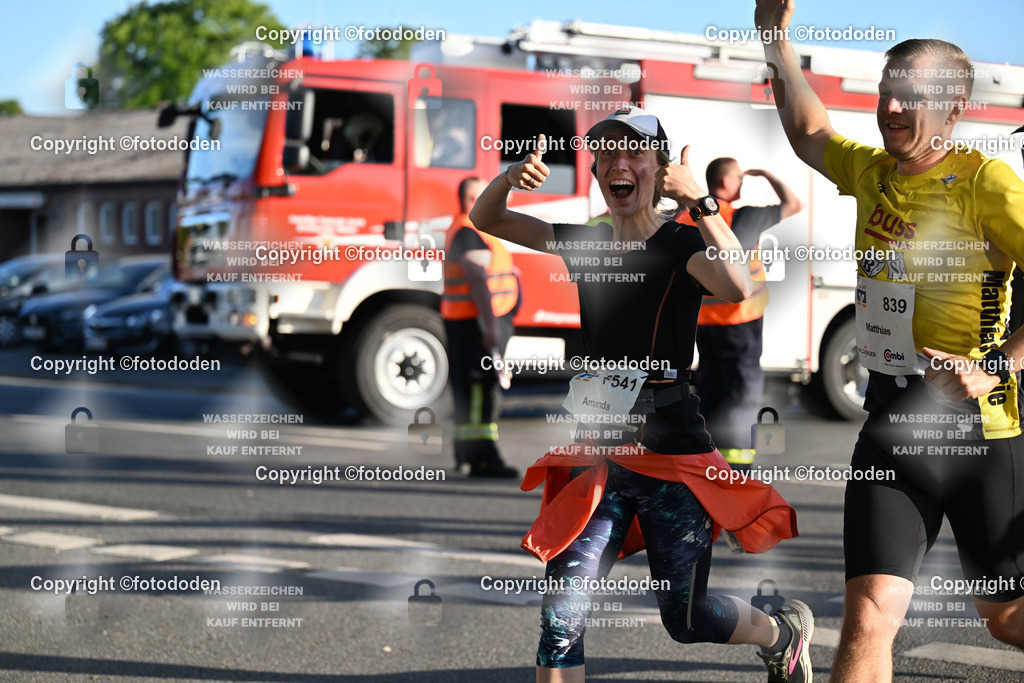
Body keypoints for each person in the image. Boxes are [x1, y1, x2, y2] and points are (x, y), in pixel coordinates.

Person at [470, 106, 811, 683]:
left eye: (635, 154)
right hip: (597, 454)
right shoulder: (587, 240)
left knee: (686, 617)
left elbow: (736, 283)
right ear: (598, 169)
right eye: (607, 154)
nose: (620, 164)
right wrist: (508, 179)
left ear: (659, 167)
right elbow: (490, 218)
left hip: (669, 454)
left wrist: (701, 203)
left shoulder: (681, 243)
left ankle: (783, 636)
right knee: (561, 617)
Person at [755, 2, 1024, 681]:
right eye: (886, 91)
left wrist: (996, 366)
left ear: (954, 107)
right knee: (870, 613)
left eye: (912, 94)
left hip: (979, 435)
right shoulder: (872, 172)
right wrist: (776, 41)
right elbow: (809, 129)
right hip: (890, 426)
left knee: (1006, 617)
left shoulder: (986, 183)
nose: (892, 106)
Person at [689, 158, 803, 471]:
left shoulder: (690, 218)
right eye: (739, 177)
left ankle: (706, 457)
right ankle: (738, 464)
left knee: (710, 388)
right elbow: (794, 203)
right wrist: (766, 173)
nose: (741, 182)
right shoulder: (745, 216)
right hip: (740, 323)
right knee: (741, 391)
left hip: (702, 325)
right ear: (726, 183)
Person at [441, 176, 520, 478]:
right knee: (480, 390)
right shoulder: (469, 229)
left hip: (466, 321)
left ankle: (465, 452)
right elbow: (477, 278)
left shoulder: (470, 228)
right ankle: (483, 458)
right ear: (472, 199)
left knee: (470, 389)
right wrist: (490, 326)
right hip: (475, 323)